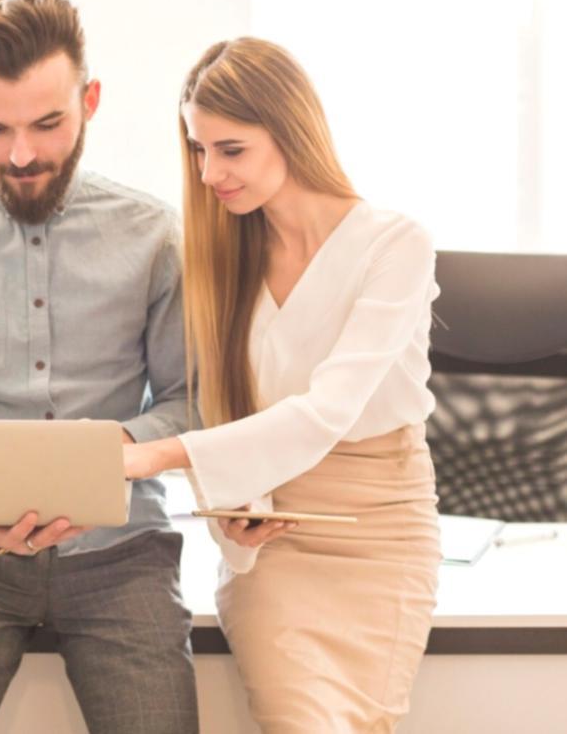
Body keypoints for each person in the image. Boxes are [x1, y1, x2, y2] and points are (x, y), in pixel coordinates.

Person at [0, 0, 199, 734]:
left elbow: (189, 403)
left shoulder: (155, 236)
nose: (20, 155)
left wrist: (101, 458)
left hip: (123, 559)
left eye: (47, 124)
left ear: (89, 101)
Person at [124, 37, 441, 733]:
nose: (209, 174)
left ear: (291, 130)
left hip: (379, 529)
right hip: (275, 543)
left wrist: (155, 456)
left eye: (230, 149)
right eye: (198, 150)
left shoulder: (395, 245)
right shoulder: (218, 258)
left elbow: (328, 409)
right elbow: (224, 404)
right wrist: (233, 504)